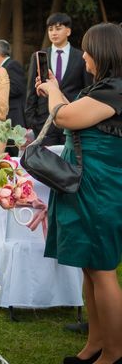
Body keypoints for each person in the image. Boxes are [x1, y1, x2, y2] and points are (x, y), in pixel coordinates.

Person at [36, 22, 122, 364]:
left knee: (102, 270)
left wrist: (54, 90)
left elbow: (65, 117)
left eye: (87, 48)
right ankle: (95, 344)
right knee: (89, 267)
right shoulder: (103, 88)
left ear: (101, 53)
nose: (83, 54)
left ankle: (115, 353)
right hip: (87, 185)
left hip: (101, 189)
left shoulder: (114, 91)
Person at [25, 13, 91, 145]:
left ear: (68, 31)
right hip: (44, 121)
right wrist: (33, 120)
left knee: (68, 161)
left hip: (72, 118)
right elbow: (31, 91)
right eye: (50, 29)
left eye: (58, 28)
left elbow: (87, 88)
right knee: (45, 162)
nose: (53, 32)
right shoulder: (39, 56)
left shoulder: (81, 57)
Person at [0, 39, 27, 157]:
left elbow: (18, 88)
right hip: (6, 116)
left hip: (14, 116)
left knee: (12, 152)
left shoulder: (12, 65)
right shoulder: (1, 67)